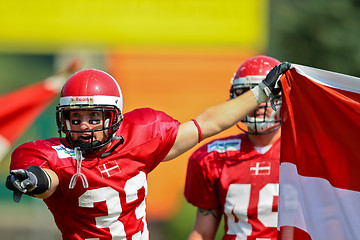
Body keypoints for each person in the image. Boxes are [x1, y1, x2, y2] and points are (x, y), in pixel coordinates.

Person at [5, 61, 290, 240]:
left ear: (114, 117)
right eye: (75, 118)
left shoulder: (139, 138)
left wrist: (261, 92)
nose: (84, 126)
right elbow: (47, 179)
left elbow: (207, 123)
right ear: (63, 119)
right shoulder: (54, 155)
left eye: (94, 118)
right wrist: (33, 181)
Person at [184, 55, 283, 240]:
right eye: (248, 93)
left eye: (268, 94)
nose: (259, 103)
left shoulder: (307, 153)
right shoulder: (213, 157)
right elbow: (202, 232)